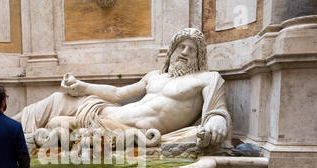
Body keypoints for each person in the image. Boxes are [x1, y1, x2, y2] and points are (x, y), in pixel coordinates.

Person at [13, 28, 232, 151]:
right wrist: (83, 87)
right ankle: (2, 126)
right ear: (172, 51)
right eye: (180, 47)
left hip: (126, 129)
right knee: (57, 99)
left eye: (191, 49)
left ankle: (1, 130)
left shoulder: (207, 78)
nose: (184, 52)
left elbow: (217, 110)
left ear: (198, 55)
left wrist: (216, 121)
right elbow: (118, 94)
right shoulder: (154, 76)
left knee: (57, 115)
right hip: (106, 112)